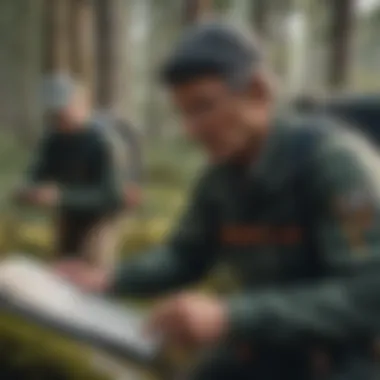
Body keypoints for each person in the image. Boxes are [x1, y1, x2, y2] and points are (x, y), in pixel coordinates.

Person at [56, 25, 380, 379]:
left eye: (203, 107)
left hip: (342, 357)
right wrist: (108, 280)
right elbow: (184, 254)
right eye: (183, 113)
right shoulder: (221, 179)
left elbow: (368, 291)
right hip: (265, 347)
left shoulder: (339, 167)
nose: (191, 129)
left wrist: (231, 316)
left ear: (258, 92)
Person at [13, 74, 139, 272]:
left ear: (82, 104)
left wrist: (61, 196)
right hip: (69, 212)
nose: (60, 120)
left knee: (94, 266)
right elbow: (36, 175)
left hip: (104, 214)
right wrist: (29, 192)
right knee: (63, 264)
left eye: (64, 112)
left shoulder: (104, 142)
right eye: (54, 115)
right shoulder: (53, 140)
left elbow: (111, 195)